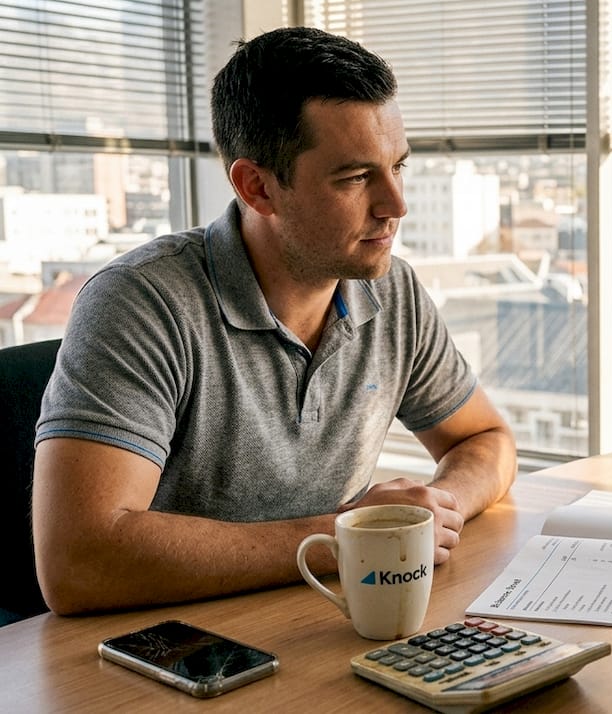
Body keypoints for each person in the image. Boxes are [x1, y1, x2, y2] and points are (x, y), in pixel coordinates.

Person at [31, 26, 517, 616]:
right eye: (356, 177)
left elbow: (486, 440)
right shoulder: (141, 303)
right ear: (257, 187)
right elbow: (79, 563)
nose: (396, 205)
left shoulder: (393, 291)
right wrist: (338, 540)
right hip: (173, 656)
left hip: (315, 620)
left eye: (398, 166)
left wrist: (429, 509)